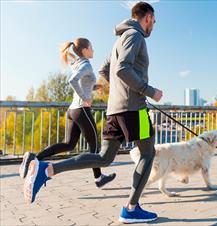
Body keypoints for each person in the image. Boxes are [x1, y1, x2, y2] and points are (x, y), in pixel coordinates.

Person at [23, 2, 163, 224]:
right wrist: (149, 91)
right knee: (147, 154)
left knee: (104, 158)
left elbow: (105, 70)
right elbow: (122, 69)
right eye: (153, 21)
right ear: (147, 17)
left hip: (115, 109)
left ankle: (47, 169)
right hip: (134, 109)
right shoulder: (135, 36)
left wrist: (118, 90)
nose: (153, 26)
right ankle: (131, 208)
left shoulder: (119, 40)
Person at [19, 38, 116, 188]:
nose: (93, 50)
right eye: (91, 47)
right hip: (81, 110)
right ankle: (98, 179)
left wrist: (95, 87)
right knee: (95, 147)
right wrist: (85, 98)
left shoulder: (77, 63)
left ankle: (34, 158)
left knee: (69, 144)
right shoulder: (86, 65)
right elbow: (73, 80)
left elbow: (82, 82)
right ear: (84, 50)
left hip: (72, 110)